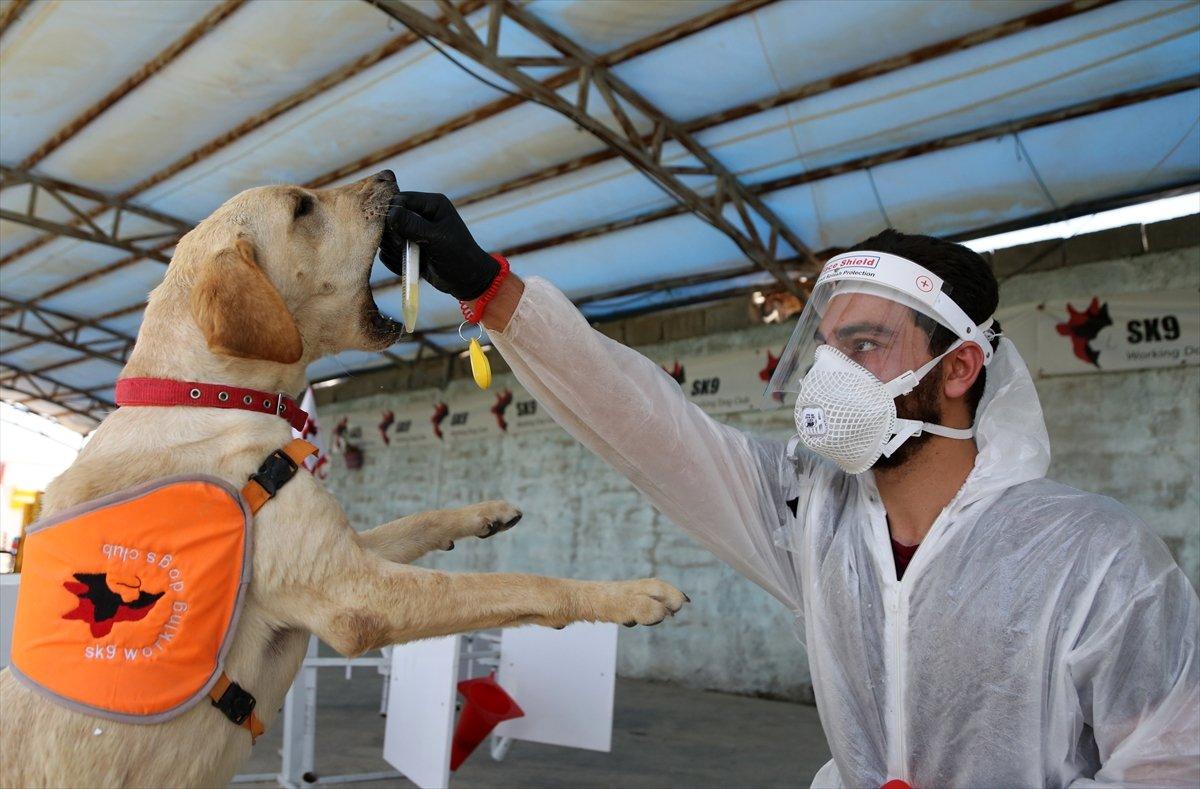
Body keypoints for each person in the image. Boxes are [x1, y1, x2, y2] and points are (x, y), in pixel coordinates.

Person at [380, 193, 1200, 788]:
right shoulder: (816, 515)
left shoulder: (1094, 558)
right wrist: (495, 293)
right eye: (831, 344)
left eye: (868, 344)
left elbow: (1174, 758)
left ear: (958, 367)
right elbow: (648, 426)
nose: (833, 373)